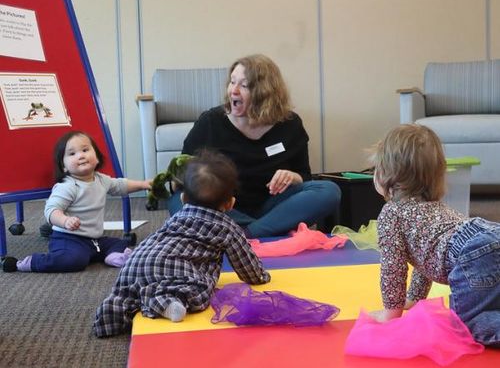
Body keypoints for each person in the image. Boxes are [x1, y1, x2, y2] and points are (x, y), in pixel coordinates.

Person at [93, 150, 271, 337]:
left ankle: (111, 312)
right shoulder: (227, 228)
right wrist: (260, 277)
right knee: (199, 291)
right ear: (230, 203)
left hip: (135, 262)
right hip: (173, 269)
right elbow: (246, 264)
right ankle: (164, 301)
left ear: (183, 198)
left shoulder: (178, 216)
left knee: (127, 292)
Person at [167, 54, 341, 238]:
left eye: (244, 85)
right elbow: (183, 176)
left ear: (265, 93)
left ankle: (245, 234)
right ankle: (265, 231)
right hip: (224, 207)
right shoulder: (210, 122)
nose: (233, 91)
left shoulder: (290, 124)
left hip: (273, 207)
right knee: (181, 202)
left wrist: (293, 177)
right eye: (232, 82)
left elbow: (305, 176)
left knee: (329, 191)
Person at [369, 123, 500, 346]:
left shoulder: (392, 213)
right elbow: (424, 261)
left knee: (465, 326)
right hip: (489, 235)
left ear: (386, 176)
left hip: (471, 253)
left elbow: (393, 267)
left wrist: (391, 312)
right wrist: (413, 299)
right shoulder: (435, 207)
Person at [2, 131, 151, 273]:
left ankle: (111, 256)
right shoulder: (67, 186)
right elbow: (51, 210)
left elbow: (120, 186)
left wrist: (143, 184)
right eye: (72, 154)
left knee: (120, 243)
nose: (81, 156)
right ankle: (28, 263)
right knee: (74, 260)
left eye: (85, 150)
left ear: (97, 157)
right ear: (64, 167)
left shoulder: (101, 180)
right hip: (68, 238)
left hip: (95, 239)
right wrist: (65, 220)